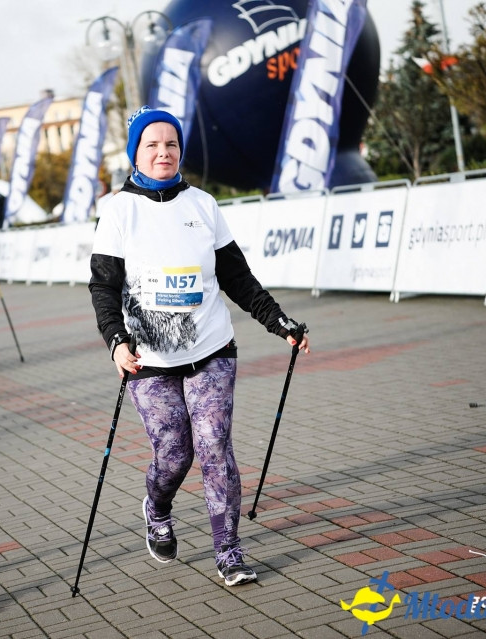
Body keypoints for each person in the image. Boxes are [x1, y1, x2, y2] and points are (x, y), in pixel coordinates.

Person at [88, 107, 311, 587]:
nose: (163, 152)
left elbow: (236, 277)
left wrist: (279, 322)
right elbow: (103, 287)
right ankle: (157, 506)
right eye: (152, 145)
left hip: (211, 349)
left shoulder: (203, 204)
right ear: (136, 153)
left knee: (214, 446)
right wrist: (115, 342)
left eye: (171, 144)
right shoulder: (119, 209)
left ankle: (229, 552)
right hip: (149, 359)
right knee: (174, 453)